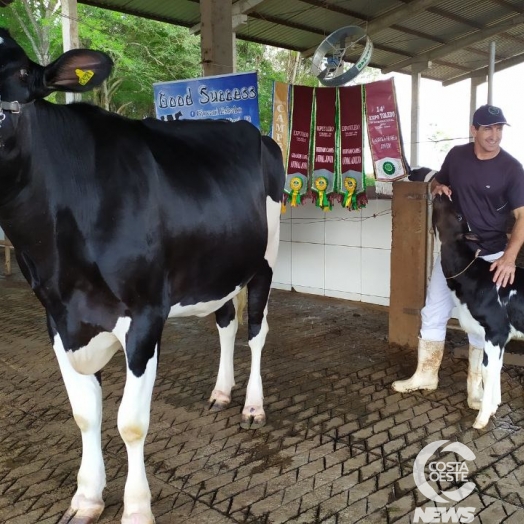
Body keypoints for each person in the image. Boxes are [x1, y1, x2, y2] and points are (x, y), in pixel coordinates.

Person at [392, 104, 524, 409]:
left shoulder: (511, 168)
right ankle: (426, 374)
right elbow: (440, 180)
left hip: (490, 256)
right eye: (488, 128)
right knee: (434, 310)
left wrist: (508, 258)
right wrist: (439, 186)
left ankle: (476, 388)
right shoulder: (457, 156)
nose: (494, 135)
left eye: (499, 128)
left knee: (484, 324)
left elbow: (522, 216)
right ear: (473, 130)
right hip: (454, 254)